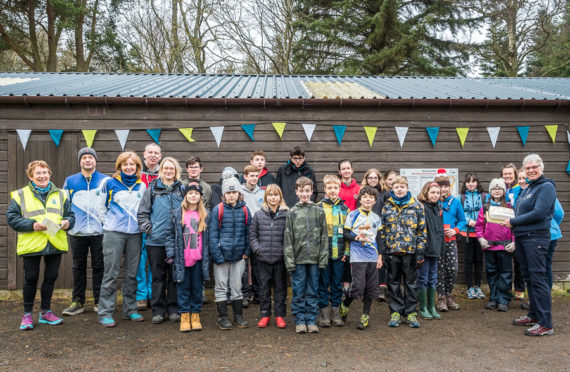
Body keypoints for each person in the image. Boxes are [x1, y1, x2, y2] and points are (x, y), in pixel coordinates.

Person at [7, 160, 75, 330]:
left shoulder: (61, 194)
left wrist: (68, 223)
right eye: (38, 173)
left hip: (54, 241)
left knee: (51, 277)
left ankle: (46, 312)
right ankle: (27, 315)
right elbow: (12, 219)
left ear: (50, 174)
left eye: (45, 172)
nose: (42, 176)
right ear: (30, 176)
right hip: (32, 242)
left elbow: (71, 215)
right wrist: (32, 225)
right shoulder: (20, 195)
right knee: (31, 278)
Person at [506, 154, 556, 336]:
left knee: (538, 278)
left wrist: (513, 221)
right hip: (523, 238)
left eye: (534, 167)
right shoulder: (528, 188)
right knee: (529, 277)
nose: (531, 170)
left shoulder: (546, 187)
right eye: (527, 168)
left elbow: (539, 213)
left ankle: (545, 323)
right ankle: (534, 315)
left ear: (541, 168)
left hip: (535, 238)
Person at [96, 151, 146, 327]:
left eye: (132, 164)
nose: (129, 167)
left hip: (135, 234)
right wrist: (109, 224)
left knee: (132, 274)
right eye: (125, 164)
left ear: (137, 167)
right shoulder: (108, 183)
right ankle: (105, 312)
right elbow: (100, 208)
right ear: (119, 167)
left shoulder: (142, 186)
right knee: (111, 273)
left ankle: (130, 310)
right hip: (114, 233)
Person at [137, 157, 185, 324]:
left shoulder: (182, 190)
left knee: (174, 277)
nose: (169, 171)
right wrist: (149, 229)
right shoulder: (151, 190)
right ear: (161, 170)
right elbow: (142, 213)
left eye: (172, 168)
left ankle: (173, 309)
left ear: (176, 171)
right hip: (156, 241)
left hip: (177, 241)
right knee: (157, 276)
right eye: (166, 168)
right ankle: (158, 310)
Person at [62, 148, 109, 316]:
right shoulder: (70, 181)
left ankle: (99, 300)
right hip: (77, 232)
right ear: (80, 161)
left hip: (100, 232)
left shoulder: (105, 180)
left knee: (99, 266)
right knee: (78, 266)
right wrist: (67, 222)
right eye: (84, 158)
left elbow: (110, 205)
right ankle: (78, 301)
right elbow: (65, 205)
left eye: (90, 157)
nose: (87, 160)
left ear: (95, 160)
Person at [381, 176, 427, 328]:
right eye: (396, 187)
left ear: (407, 188)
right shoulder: (387, 206)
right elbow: (382, 231)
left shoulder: (417, 206)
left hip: (410, 252)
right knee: (393, 283)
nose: (399, 189)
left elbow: (422, 231)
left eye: (402, 186)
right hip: (392, 251)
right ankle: (395, 311)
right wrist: (383, 251)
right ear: (392, 189)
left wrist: (420, 252)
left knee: (411, 283)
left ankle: (411, 312)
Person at [284, 177, 328, 334]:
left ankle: (311, 319)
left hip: (315, 259)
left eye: (307, 191)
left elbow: (324, 237)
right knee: (298, 290)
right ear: (296, 192)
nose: (304, 194)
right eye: (301, 191)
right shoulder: (292, 212)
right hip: (298, 259)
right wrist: (290, 261)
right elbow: (288, 238)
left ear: (312, 192)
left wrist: (323, 258)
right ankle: (300, 320)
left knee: (313, 290)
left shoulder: (319, 211)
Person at [165, 182, 210, 332]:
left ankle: (195, 315)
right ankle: (184, 315)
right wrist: (170, 254)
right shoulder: (177, 213)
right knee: (183, 288)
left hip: (198, 258)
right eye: (190, 193)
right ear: (185, 196)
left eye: (196, 194)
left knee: (197, 288)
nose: (193, 196)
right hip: (182, 258)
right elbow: (170, 235)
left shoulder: (205, 215)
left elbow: (209, 238)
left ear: (200, 197)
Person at [209, 177, 252, 330]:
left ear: (239, 193)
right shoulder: (217, 210)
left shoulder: (245, 210)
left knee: (236, 286)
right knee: (221, 286)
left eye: (234, 192)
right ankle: (223, 317)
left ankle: (238, 316)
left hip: (239, 256)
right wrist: (218, 256)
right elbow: (212, 235)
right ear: (224, 194)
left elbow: (249, 233)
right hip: (222, 256)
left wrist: (247, 251)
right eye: (228, 192)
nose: (231, 195)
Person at [339, 187, 383, 330]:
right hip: (357, 255)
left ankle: (365, 316)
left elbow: (380, 238)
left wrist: (380, 256)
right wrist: (356, 237)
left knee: (371, 287)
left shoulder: (376, 217)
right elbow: (345, 234)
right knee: (358, 286)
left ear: (375, 201)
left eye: (371, 197)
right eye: (365, 197)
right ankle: (345, 304)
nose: (368, 199)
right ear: (360, 199)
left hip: (373, 255)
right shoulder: (352, 215)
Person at [249, 184, 289, 329]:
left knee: (280, 288)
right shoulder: (259, 215)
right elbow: (252, 235)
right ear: (266, 197)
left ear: (280, 197)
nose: (273, 197)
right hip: (263, 259)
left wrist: (285, 251)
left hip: (280, 259)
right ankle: (265, 314)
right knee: (263, 288)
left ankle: (279, 315)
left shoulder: (286, 214)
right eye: (270, 195)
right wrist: (257, 249)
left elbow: (290, 236)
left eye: (276, 195)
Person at [476, 178, 514, 312]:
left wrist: (514, 242)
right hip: (489, 246)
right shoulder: (485, 207)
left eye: (499, 188)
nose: (497, 191)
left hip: (505, 246)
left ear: (503, 191)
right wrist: (481, 238)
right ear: (490, 191)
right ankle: (493, 298)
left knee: (505, 273)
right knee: (492, 273)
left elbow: (515, 226)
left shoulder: (510, 206)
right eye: (494, 188)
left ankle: (503, 300)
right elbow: (479, 226)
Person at [316, 175, 349, 328]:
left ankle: (335, 310)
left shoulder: (345, 209)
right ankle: (323, 312)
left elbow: (348, 232)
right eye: (329, 188)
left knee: (336, 283)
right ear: (325, 190)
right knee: (323, 283)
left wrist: (346, 252)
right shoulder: (319, 207)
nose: (333, 190)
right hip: (323, 252)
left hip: (339, 253)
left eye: (335, 188)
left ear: (339, 189)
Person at [435, 169, 466, 311]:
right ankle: (441, 297)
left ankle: (449, 294)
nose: (443, 189)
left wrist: (455, 230)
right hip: (437, 242)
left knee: (452, 269)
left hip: (450, 240)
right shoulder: (432, 201)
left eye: (446, 186)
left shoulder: (455, 202)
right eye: (440, 186)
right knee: (439, 269)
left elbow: (462, 220)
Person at [136, 143, 162, 310]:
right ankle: (141, 295)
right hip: (139, 224)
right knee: (140, 261)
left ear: (160, 156)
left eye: (156, 153)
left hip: (158, 225)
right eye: (150, 152)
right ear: (144, 155)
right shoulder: (137, 175)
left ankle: (154, 294)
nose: (153, 155)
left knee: (154, 261)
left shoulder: (164, 174)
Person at [416, 182, 443, 320]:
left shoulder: (437, 208)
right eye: (432, 192)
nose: (435, 195)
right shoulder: (422, 208)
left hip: (435, 250)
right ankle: (423, 307)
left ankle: (432, 306)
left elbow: (439, 231)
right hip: (425, 250)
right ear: (426, 193)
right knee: (423, 278)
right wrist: (421, 250)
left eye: (437, 193)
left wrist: (440, 247)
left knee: (433, 278)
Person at [361, 168, 389, 301]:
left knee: (380, 256)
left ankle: (381, 287)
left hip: (380, 228)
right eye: (370, 178)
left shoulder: (384, 193)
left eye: (375, 178)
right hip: (366, 228)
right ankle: (367, 287)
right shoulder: (362, 193)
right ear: (366, 179)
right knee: (367, 256)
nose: (373, 180)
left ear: (379, 179)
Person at [240, 164, 265, 306]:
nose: (254, 178)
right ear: (245, 176)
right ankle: (244, 294)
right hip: (243, 231)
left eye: (256, 176)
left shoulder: (262, 193)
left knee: (257, 266)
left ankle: (257, 293)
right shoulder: (239, 191)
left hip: (258, 233)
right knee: (242, 266)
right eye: (251, 176)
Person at [460, 172, 486, 300]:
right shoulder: (461, 197)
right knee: (468, 260)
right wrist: (468, 221)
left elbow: (488, 211)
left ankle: (478, 286)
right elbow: (458, 214)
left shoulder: (483, 196)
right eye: (468, 182)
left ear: (477, 182)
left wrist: (481, 222)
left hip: (481, 233)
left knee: (479, 260)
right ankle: (470, 287)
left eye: (473, 181)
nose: (471, 184)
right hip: (466, 233)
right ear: (465, 183)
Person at [501, 163, 525, 301]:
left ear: (515, 175)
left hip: (518, 228)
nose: (507, 176)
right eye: (505, 174)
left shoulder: (519, 189)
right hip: (504, 229)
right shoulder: (501, 188)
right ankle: (507, 288)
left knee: (519, 261)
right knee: (505, 262)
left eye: (510, 173)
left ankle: (520, 288)